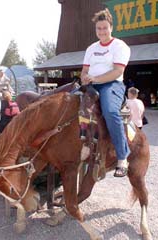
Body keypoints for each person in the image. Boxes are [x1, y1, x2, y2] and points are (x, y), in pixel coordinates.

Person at [81, 8, 131, 177]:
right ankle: (84, 146)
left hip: (112, 85)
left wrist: (94, 79)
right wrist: (85, 78)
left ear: (111, 27)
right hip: (93, 85)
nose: (101, 31)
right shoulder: (91, 48)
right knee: (71, 106)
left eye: (104, 28)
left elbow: (117, 71)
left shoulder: (119, 46)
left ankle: (122, 157)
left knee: (110, 111)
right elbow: (84, 71)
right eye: (98, 28)